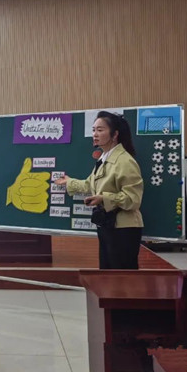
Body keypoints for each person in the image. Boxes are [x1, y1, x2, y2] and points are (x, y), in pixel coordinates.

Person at [55, 111, 144, 269]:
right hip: (107, 225)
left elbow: (133, 199)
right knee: (107, 274)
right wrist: (69, 182)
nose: (95, 134)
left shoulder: (125, 161)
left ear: (114, 134)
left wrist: (104, 199)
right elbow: (89, 185)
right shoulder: (104, 159)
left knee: (121, 276)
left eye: (100, 130)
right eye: (93, 130)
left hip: (123, 229)